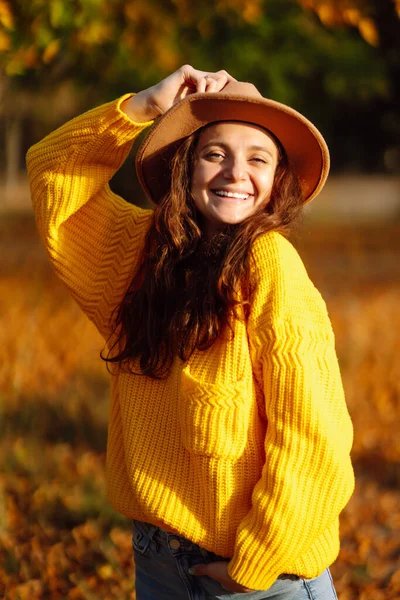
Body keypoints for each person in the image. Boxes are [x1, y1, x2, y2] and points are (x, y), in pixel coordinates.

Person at [26, 65, 354, 599]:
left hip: (258, 579)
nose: (235, 173)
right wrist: (142, 107)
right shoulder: (140, 254)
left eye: (258, 159)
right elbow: (52, 172)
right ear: (187, 165)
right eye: (215, 153)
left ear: (277, 182)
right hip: (159, 560)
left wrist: (256, 562)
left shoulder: (269, 265)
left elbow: (314, 436)